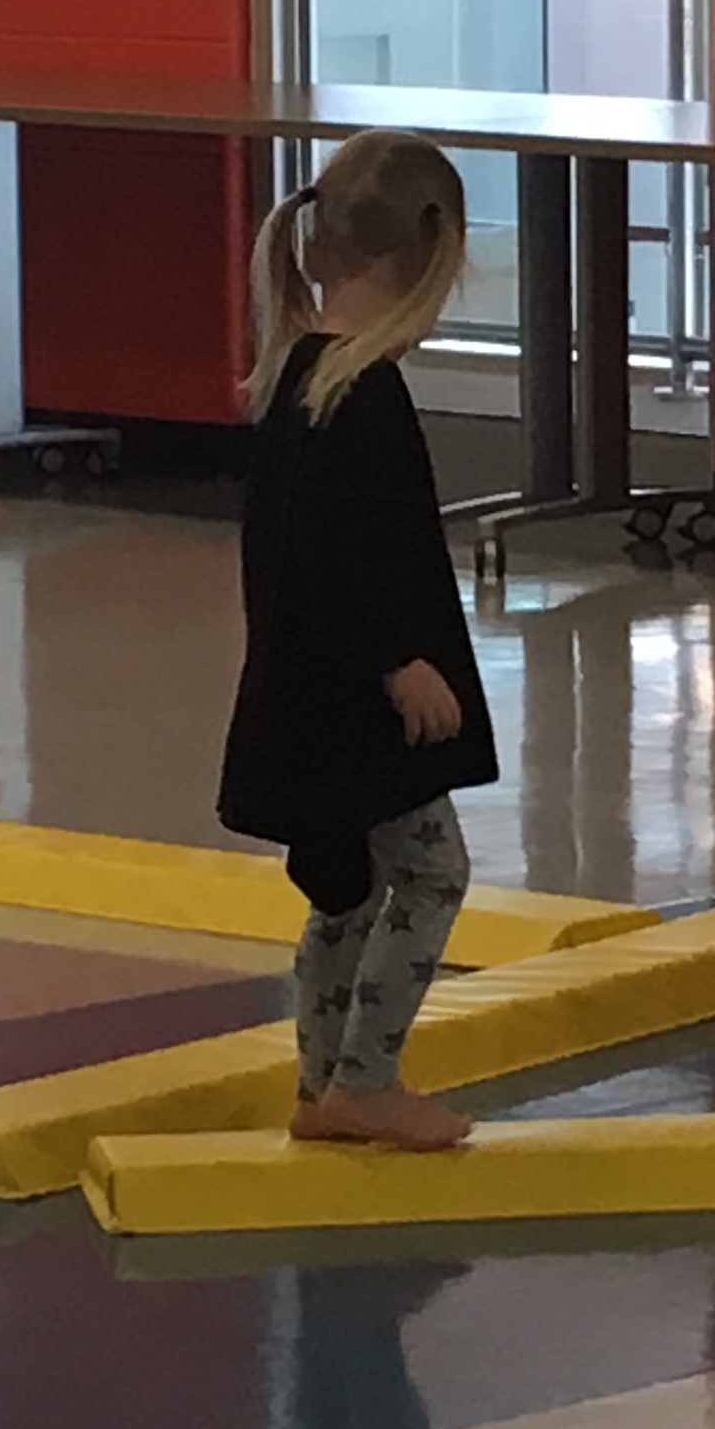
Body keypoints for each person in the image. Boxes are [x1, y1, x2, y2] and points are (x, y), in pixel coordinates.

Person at [217, 130, 497, 1152]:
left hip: (309, 688)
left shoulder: (299, 373)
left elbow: (292, 554)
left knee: (346, 886)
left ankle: (320, 1082)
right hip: (358, 696)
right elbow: (341, 552)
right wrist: (400, 659)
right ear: (427, 254)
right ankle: (364, 1082)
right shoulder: (359, 392)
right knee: (432, 875)